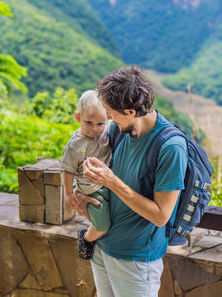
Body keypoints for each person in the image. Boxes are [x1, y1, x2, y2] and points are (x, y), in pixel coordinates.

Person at [74, 65, 188, 297]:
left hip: (136, 261)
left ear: (130, 111)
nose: (107, 119)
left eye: (112, 113)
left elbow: (160, 215)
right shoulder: (118, 130)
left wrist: (112, 181)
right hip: (102, 247)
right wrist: (81, 192)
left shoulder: (171, 148)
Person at [61, 90, 111, 260]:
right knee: (102, 225)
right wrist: (68, 193)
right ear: (78, 118)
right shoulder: (75, 145)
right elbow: (68, 170)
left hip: (109, 183)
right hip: (91, 190)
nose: (95, 129)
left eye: (100, 124)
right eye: (88, 122)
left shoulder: (107, 131)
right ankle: (87, 238)